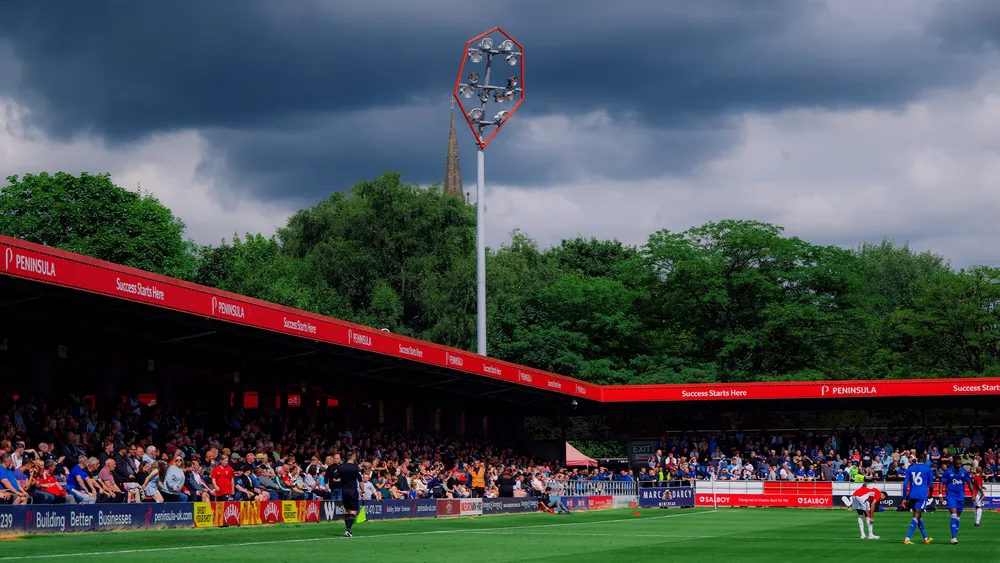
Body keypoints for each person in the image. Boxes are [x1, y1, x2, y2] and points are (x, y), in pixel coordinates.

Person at [902, 453, 934, 545]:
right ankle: (907, 538)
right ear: (925, 460)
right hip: (922, 495)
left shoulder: (911, 468)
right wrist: (930, 494)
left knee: (918, 516)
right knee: (916, 515)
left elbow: (905, 484)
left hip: (912, 494)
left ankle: (926, 538)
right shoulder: (927, 468)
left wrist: (904, 497)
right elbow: (931, 484)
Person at [941, 461, 971, 544]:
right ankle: (954, 537)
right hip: (951, 496)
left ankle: (954, 536)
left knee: (958, 518)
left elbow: (969, 482)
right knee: (953, 515)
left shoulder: (964, 472)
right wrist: (940, 495)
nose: (959, 465)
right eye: (957, 464)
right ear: (954, 463)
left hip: (960, 497)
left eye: (960, 464)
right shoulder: (948, 472)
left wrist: (973, 494)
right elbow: (942, 483)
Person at [335, 451, 363, 538]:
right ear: (353, 457)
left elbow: (334, 476)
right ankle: (348, 530)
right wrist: (363, 492)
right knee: (353, 512)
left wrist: (341, 479)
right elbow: (360, 481)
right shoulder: (355, 468)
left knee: (347, 511)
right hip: (352, 491)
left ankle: (348, 529)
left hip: (344, 491)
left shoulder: (341, 467)